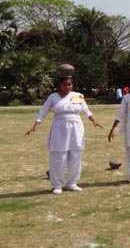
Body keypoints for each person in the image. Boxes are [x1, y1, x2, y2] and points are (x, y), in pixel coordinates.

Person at [27, 66, 102, 194]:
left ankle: (72, 183)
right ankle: (57, 184)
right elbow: (42, 112)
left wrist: (94, 121)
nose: (67, 87)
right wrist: (36, 125)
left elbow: (86, 111)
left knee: (75, 155)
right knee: (58, 156)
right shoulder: (53, 97)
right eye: (65, 85)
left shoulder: (78, 96)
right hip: (59, 128)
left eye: (69, 85)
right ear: (60, 85)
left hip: (76, 128)